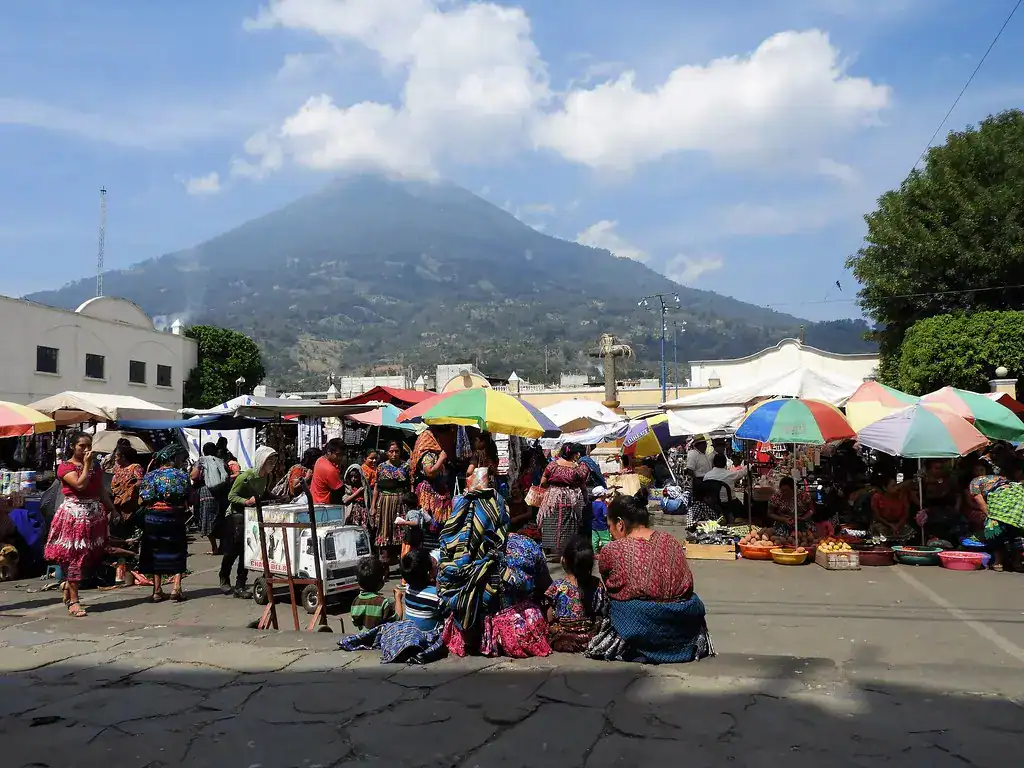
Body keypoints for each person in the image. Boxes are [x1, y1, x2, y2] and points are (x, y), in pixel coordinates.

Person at [587, 490, 714, 664]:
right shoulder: (671, 541)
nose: (610, 534)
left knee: (605, 599)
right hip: (681, 623)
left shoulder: (611, 550)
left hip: (638, 623)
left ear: (620, 524)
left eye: (609, 527)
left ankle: (638, 647)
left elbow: (612, 587)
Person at [44, 432, 114, 618]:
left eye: (88, 445)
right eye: (81, 446)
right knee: (75, 556)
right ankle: (74, 600)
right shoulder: (65, 467)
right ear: (73, 447)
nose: (85, 449)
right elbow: (80, 485)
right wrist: (88, 465)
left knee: (89, 557)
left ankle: (68, 585)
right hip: (74, 516)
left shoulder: (96, 467)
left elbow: (100, 489)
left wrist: (112, 509)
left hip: (94, 515)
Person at [221, 446, 278, 597]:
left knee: (247, 552)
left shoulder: (267, 476)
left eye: (274, 461)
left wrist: (277, 497)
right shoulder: (245, 476)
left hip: (252, 516)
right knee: (232, 551)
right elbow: (231, 496)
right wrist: (246, 501)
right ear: (261, 460)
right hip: (236, 516)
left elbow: (263, 492)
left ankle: (240, 586)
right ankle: (224, 577)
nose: (272, 464)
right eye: (269, 461)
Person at [138, 444, 191, 602]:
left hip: (153, 518)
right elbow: (189, 498)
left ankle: (157, 590)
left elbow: (142, 500)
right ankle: (176, 588)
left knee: (155, 553)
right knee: (178, 550)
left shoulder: (150, 475)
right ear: (173, 458)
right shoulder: (181, 475)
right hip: (174, 517)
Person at [545, 536, 607, 652]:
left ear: (564, 561)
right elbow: (600, 609)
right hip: (589, 638)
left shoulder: (558, 586)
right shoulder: (597, 584)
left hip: (563, 640)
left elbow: (550, 616)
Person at [968, 459, 1024, 572]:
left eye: (981, 469)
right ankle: (1017, 563)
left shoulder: (974, 482)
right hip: (1017, 497)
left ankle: (998, 562)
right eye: (977, 470)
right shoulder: (1000, 478)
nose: (979, 472)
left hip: (1003, 496)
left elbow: (978, 499)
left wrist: (991, 515)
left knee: (994, 528)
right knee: (1015, 528)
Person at [538, 443, 590, 557]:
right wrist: (585, 498)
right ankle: (565, 550)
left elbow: (543, 482)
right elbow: (582, 486)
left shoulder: (552, 465)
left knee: (552, 521)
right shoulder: (577, 468)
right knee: (568, 523)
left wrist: (553, 487)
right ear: (574, 454)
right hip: (569, 499)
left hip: (553, 499)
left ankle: (551, 551)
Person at [370, 441, 409, 566]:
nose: (394, 454)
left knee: (400, 529)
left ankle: (402, 564)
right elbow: (376, 487)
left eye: (397, 451)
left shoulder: (406, 466)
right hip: (385, 501)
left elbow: (410, 486)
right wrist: (373, 506)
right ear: (387, 453)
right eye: (391, 451)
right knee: (384, 530)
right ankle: (384, 566)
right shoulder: (381, 467)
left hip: (400, 500)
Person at [410, 426, 457, 528]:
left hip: (440, 492)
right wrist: (442, 458)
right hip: (429, 493)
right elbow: (429, 472)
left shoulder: (438, 453)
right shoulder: (428, 455)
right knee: (429, 522)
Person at [191, 442, 230, 555]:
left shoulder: (201, 461)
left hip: (206, 493)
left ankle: (214, 547)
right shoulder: (220, 461)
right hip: (221, 494)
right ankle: (223, 546)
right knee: (221, 519)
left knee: (206, 519)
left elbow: (194, 476)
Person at [396, 548, 445, 631]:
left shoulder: (408, 589)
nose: (436, 562)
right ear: (429, 572)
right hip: (431, 639)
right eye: (433, 561)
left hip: (413, 635)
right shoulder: (435, 595)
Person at [349, 556, 396, 631]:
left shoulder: (356, 601)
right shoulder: (384, 603)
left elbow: (355, 622)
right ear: (382, 581)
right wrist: (398, 599)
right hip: (380, 641)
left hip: (362, 640)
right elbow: (396, 621)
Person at [109, 443, 144, 541]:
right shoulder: (117, 468)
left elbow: (140, 481)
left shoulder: (135, 467)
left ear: (123, 457)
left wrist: (129, 489)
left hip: (130, 502)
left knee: (130, 526)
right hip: (117, 501)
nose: (115, 458)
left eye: (116, 456)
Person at [870, 474, 914, 540]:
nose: (897, 487)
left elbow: (906, 514)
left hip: (899, 524)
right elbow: (877, 516)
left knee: (910, 531)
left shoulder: (902, 496)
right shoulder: (877, 497)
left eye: (896, 485)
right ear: (885, 488)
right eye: (893, 486)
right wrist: (890, 525)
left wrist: (897, 525)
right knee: (879, 530)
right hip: (883, 523)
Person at [310, 439, 345, 505]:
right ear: (329, 452)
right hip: (325, 506)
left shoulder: (320, 460)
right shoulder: (330, 469)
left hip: (315, 501)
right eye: (338, 454)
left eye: (342, 455)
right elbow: (340, 490)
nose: (340, 458)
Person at [590, 487, 611, 553]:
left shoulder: (592, 504)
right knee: (606, 541)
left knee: (594, 540)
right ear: (602, 495)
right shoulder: (602, 505)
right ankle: (607, 553)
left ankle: (594, 553)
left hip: (594, 526)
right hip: (602, 526)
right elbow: (605, 515)